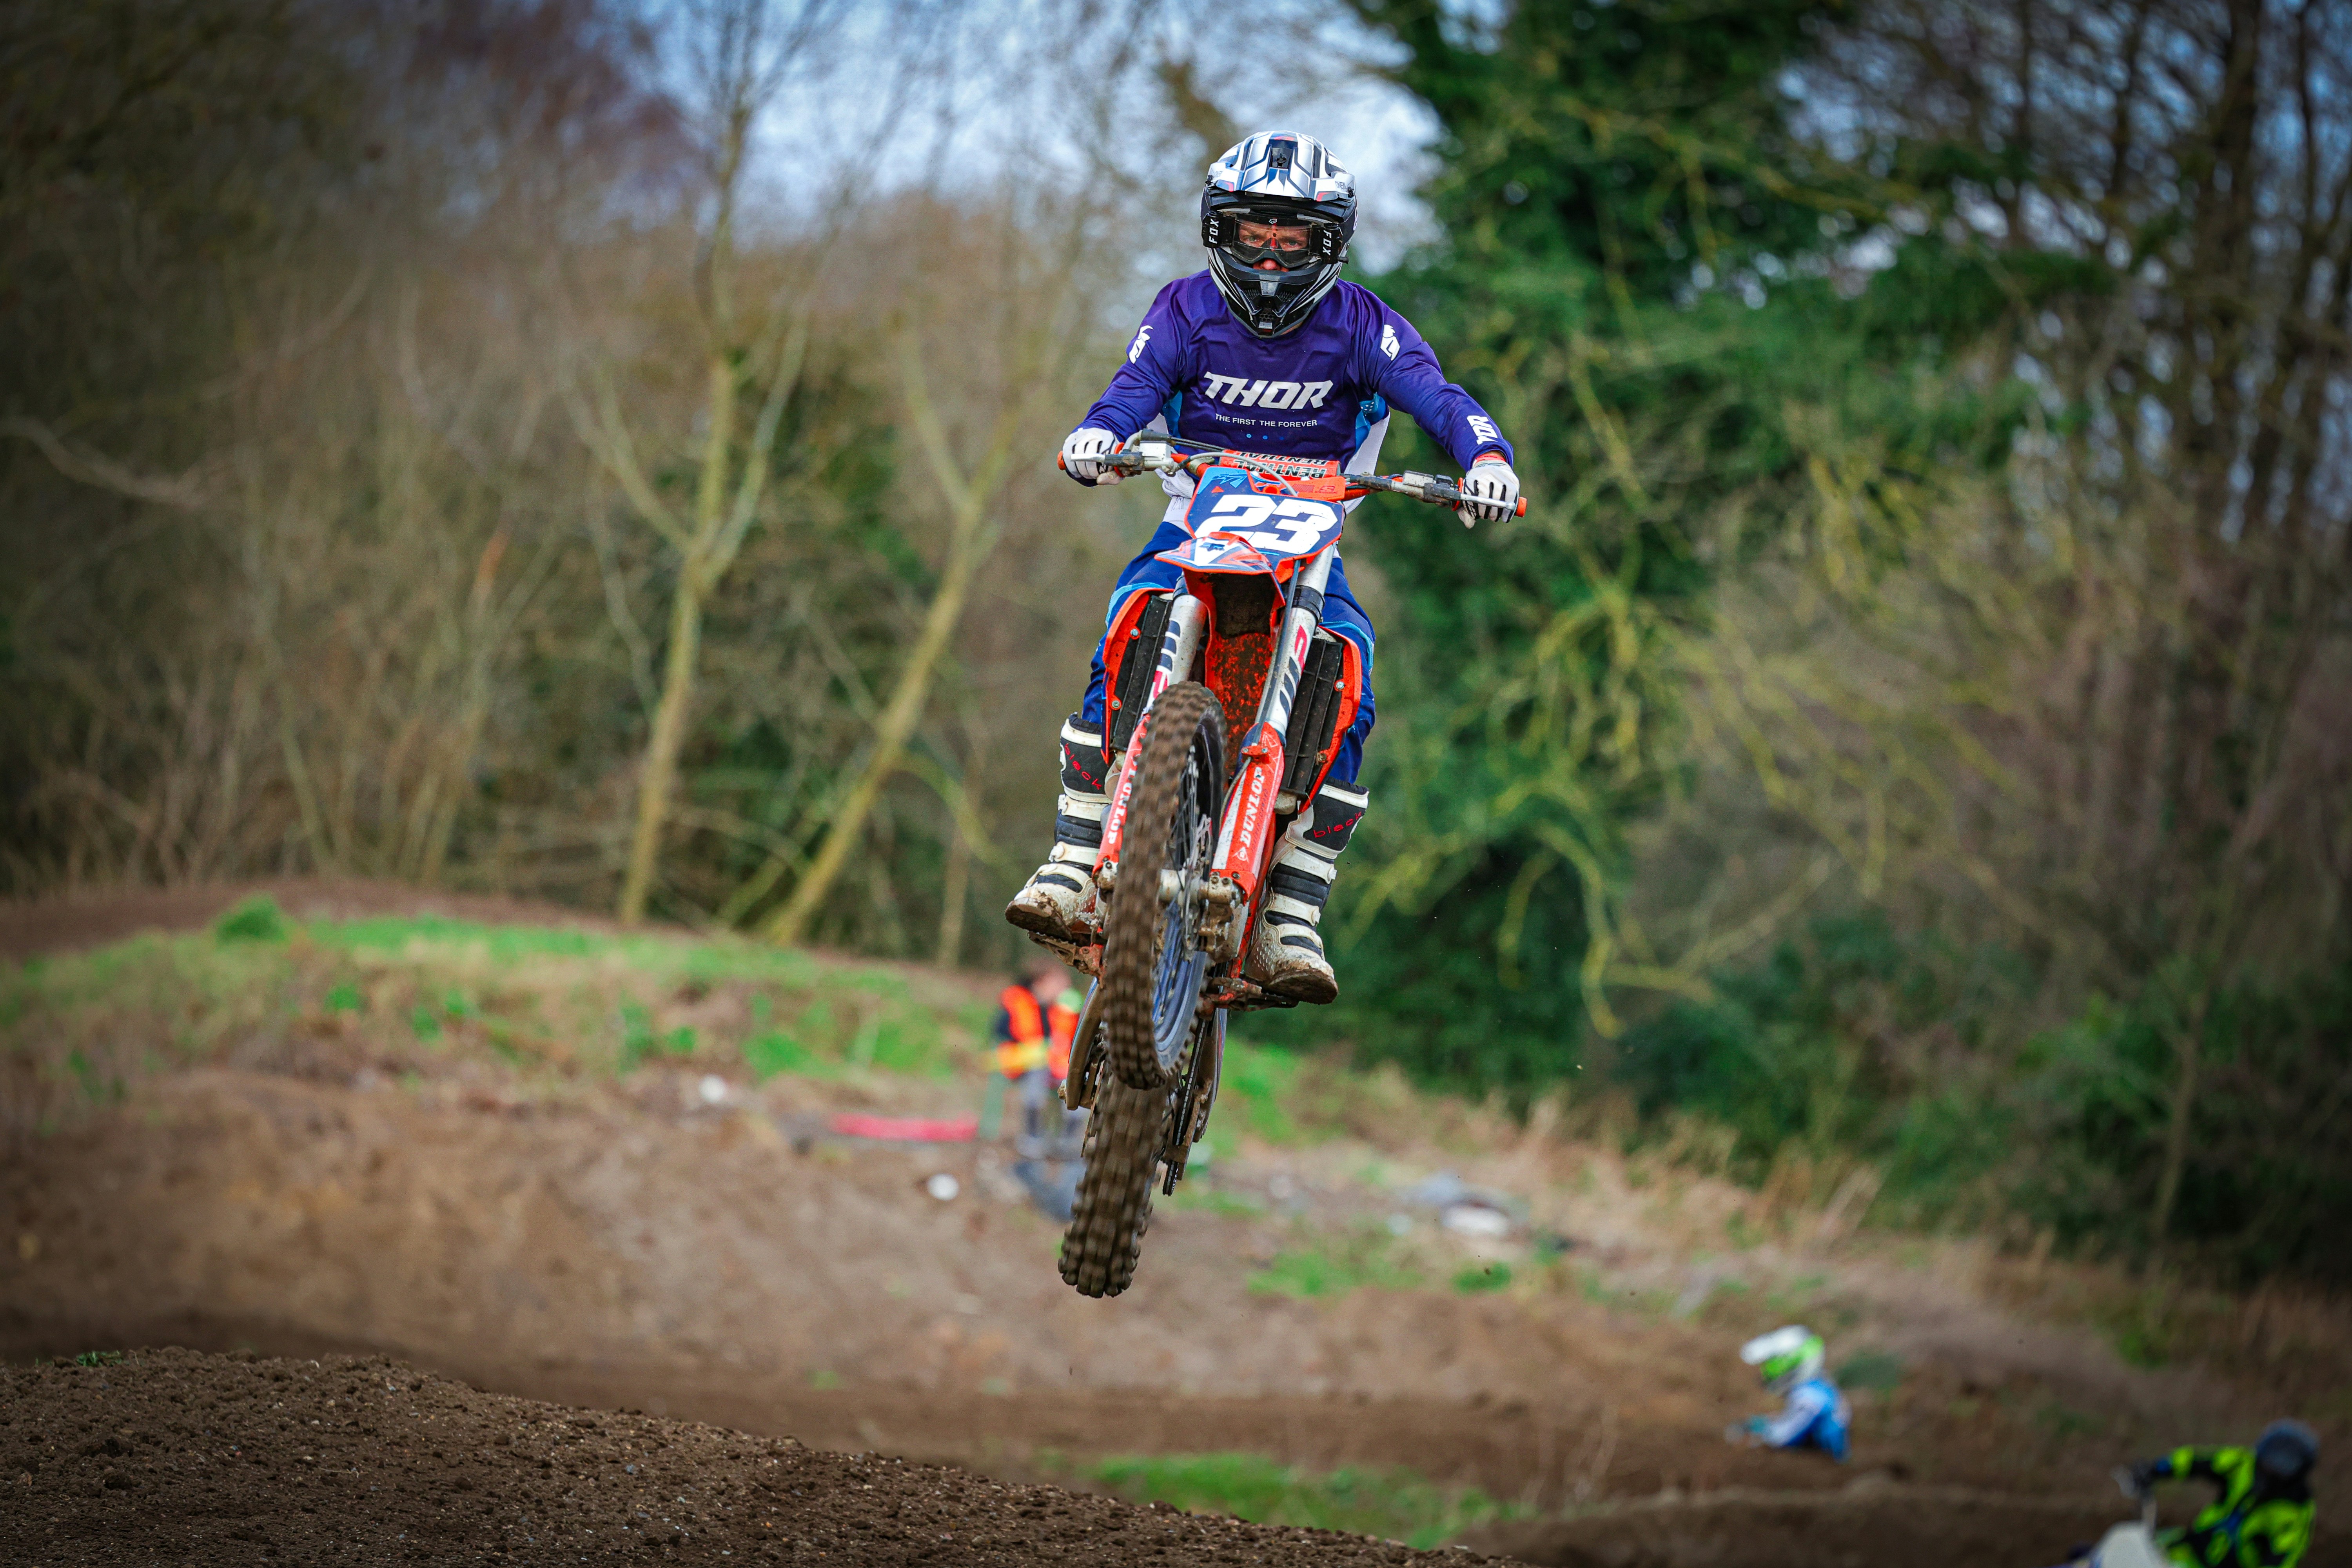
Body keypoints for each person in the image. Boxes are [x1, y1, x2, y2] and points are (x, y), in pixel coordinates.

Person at [1003, 129, 1522, 1005]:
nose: (1273, 254)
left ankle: (1292, 909)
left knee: (1351, 667)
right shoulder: (1183, 309)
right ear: (1222, 231)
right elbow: (1134, 385)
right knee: (1129, 619)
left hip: (1311, 541)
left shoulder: (1364, 325)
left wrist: (1488, 458)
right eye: (1255, 232)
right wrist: (1102, 433)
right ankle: (1074, 853)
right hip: (1194, 519)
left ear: (1331, 243)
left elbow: (1439, 395)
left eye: (1294, 236)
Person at [2124, 1420, 2318, 1568]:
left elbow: (2283, 1559)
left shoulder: (2297, 1511)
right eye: (2270, 1457)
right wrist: (2156, 1469)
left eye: (2284, 1464)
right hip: (2190, 1545)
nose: (2271, 1468)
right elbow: (2196, 1461)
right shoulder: (2242, 1464)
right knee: (2128, 1550)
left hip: (2233, 1565)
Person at [989, 956, 1080, 1151]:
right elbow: (1001, 1036)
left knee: (1077, 1078)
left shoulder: (1062, 1008)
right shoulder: (1018, 1002)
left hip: (1053, 1067)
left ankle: (1067, 1141)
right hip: (1020, 1066)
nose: (1063, 989)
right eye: (1057, 983)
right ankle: (1032, 1137)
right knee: (1037, 1076)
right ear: (1041, 982)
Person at [1730, 1325, 1851, 1461]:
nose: (1768, 1372)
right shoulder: (1816, 1388)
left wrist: (1760, 1428)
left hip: (1825, 1462)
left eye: (1775, 1366)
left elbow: (1783, 1436)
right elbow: (1792, 1419)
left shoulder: (1809, 1395)